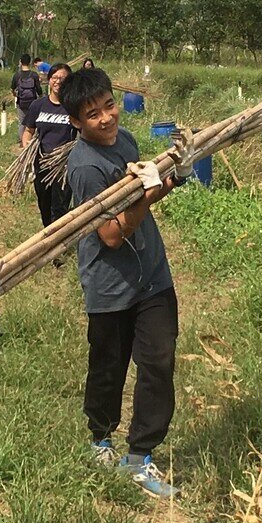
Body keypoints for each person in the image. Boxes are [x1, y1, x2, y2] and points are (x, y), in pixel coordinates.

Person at [60, 66, 191, 500]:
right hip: (109, 284)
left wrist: (169, 180)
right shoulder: (84, 168)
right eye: (92, 113)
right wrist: (148, 194)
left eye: (109, 105)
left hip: (151, 275)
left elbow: (144, 199)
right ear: (77, 122)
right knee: (108, 369)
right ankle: (100, 440)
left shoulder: (128, 140)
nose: (106, 118)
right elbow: (112, 235)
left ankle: (140, 457)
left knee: (158, 361)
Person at [20, 61, 77, 231]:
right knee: (44, 205)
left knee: (59, 208)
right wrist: (27, 149)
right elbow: (28, 130)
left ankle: (58, 245)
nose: (58, 81)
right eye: (55, 77)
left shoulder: (73, 107)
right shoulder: (38, 105)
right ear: (49, 80)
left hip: (63, 167)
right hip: (41, 164)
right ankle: (49, 234)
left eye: (63, 78)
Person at [10, 55, 42, 121]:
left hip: (21, 102)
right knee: (33, 122)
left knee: (22, 122)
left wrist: (14, 94)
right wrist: (41, 99)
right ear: (30, 62)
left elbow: (12, 89)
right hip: (32, 102)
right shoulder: (34, 74)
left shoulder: (17, 75)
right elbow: (39, 90)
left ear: (20, 62)